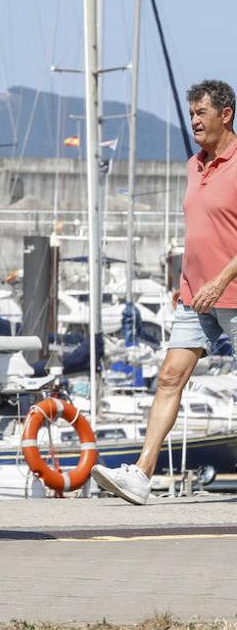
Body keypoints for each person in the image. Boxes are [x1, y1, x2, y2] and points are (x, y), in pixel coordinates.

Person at [93, 80, 237, 505]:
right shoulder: (195, 165)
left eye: (201, 113)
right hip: (195, 296)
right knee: (170, 376)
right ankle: (141, 473)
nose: (194, 121)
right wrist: (186, 283)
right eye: (192, 113)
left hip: (231, 292)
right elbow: (201, 232)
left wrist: (222, 279)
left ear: (225, 115)